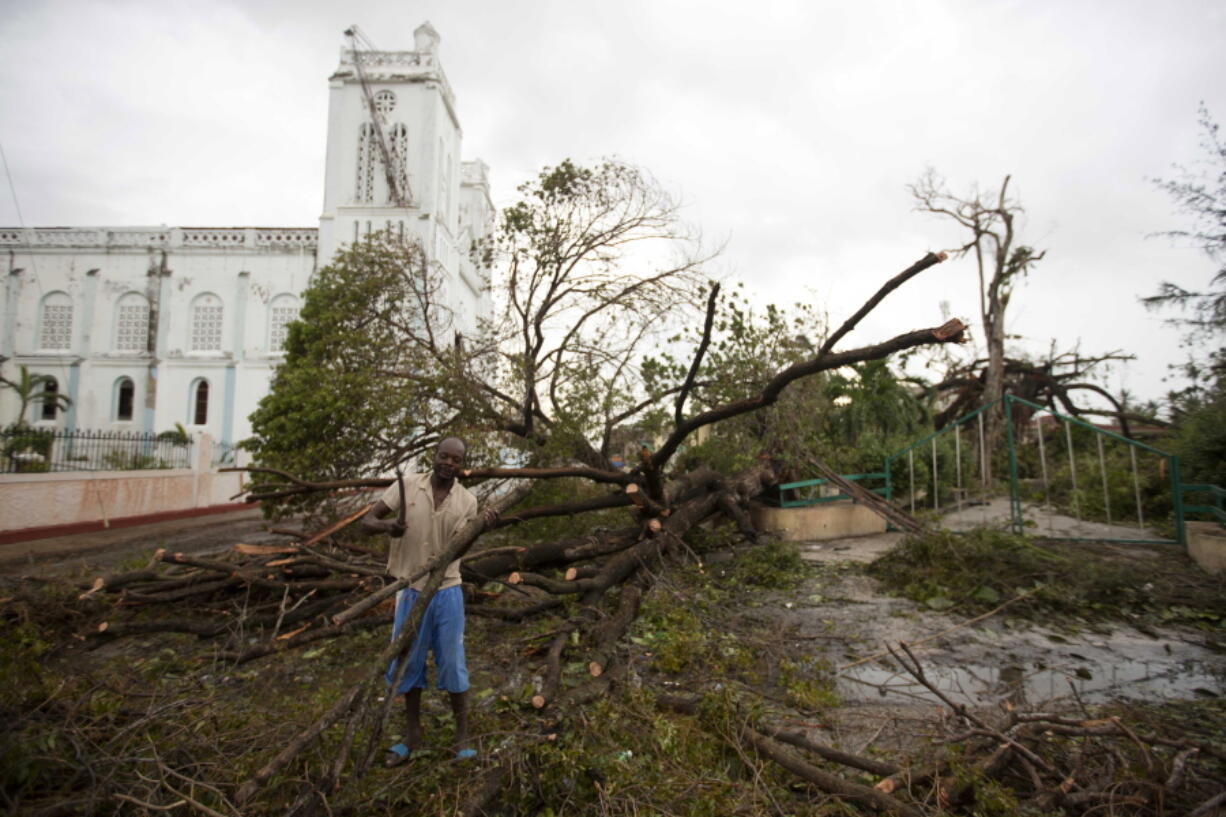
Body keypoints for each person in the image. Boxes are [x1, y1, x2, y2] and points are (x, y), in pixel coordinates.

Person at [361, 436, 487, 767]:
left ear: (462, 465)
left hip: (447, 590)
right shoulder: (407, 487)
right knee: (407, 662)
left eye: (455, 459)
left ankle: (463, 737)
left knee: (452, 662)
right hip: (410, 589)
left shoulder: (467, 502)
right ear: (435, 456)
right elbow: (367, 522)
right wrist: (390, 526)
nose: (448, 463)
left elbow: (460, 547)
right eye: (443, 456)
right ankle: (412, 736)